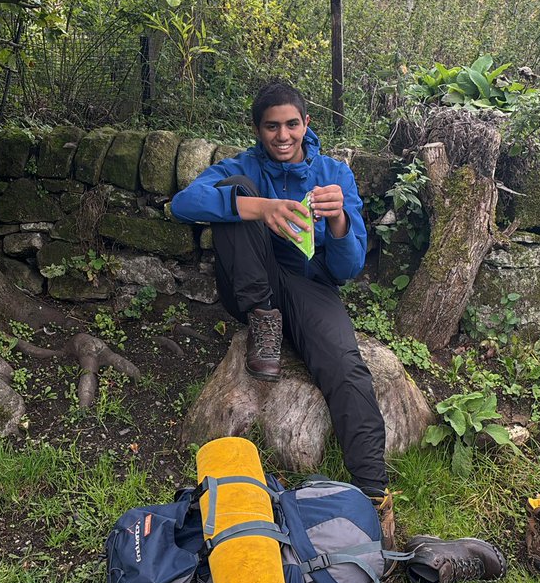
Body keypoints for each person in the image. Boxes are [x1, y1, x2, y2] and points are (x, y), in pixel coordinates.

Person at [169, 80, 395, 547]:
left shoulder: (334, 173)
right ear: (257, 129)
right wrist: (260, 206)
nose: (283, 135)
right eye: (271, 126)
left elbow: (348, 267)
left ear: (306, 124)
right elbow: (183, 204)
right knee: (234, 192)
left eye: (292, 124)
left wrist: (338, 221)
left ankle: (372, 493)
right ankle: (265, 325)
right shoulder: (245, 165)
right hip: (253, 287)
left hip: (311, 285)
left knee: (345, 365)